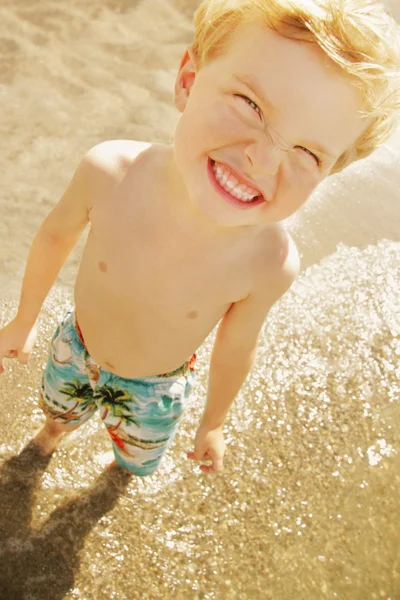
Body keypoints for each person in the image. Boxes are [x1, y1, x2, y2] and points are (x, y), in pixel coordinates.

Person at [0, 0, 399, 476]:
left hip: (155, 388)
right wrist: (24, 321)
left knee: (136, 459)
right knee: (57, 410)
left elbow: (237, 344)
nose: (263, 161)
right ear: (189, 80)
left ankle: (119, 470)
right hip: (76, 346)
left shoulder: (269, 261)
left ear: (331, 171)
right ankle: (52, 434)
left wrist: (213, 422)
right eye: (250, 104)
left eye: (309, 153)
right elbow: (54, 236)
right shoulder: (109, 172)